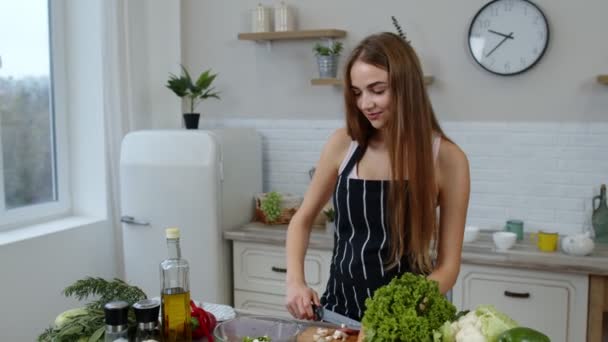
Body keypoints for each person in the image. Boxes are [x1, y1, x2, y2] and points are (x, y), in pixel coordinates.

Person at [285, 32, 470, 322]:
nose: (365, 103)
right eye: (357, 93)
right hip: (338, 313)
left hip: (408, 320)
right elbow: (302, 219)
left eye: (377, 89)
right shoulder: (342, 144)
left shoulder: (447, 158)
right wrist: (295, 281)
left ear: (405, 87)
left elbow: (448, 267)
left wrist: (402, 311)